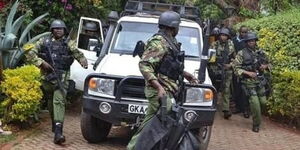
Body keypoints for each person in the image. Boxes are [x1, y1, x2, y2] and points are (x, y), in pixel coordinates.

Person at [127, 11, 198, 150]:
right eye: (178, 26)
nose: (179, 29)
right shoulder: (159, 42)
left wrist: (185, 74)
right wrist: (159, 87)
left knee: (154, 124)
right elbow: (145, 65)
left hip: (167, 90)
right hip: (159, 92)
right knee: (151, 125)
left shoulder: (170, 42)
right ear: (173, 26)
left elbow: (167, 65)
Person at [25, 19, 88, 144]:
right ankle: (55, 123)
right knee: (50, 101)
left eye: (60, 29)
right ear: (51, 30)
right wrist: (41, 62)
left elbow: (77, 53)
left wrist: (83, 61)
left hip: (62, 76)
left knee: (58, 101)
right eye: (55, 28)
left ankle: (58, 132)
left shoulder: (69, 43)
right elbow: (30, 53)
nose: (58, 30)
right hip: (47, 77)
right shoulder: (44, 41)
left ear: (64, 30)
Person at [233, 32, 270, 132]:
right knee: (256, 105)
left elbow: (270, 63)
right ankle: (256, 124)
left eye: (253, 41)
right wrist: (248, 73)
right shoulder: (241, 53)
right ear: (246, 42)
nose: (251, 43)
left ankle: (249, 108)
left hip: (260, 81)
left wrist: (265, 66)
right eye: (249, 41)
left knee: (263, 102)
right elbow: (236, 68)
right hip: (249, 82)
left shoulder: (261, 52)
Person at [208, 27, 235, 119]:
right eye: (222, 35)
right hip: (216, 70)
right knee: (214, 88)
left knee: (226, 90)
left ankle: (226, 110)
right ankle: (211, 106)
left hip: (227, 70)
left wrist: (230, 65)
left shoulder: (231, 45)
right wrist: (214, 67)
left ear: (228, 37)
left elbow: (236, 59)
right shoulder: (214, 45)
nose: (223, 37)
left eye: (225, 36)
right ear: (219, 36)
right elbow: (210, 59)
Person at [232, 25, 250, 117]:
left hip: (247, 67)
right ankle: (238, 107)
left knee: (246, 90)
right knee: (237, 88)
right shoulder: (234, 40)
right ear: (239, 32)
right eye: (242, 32)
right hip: (237, 66)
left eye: (245, 32)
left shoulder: (249, 41)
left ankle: (245, 109)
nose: (244, 34)